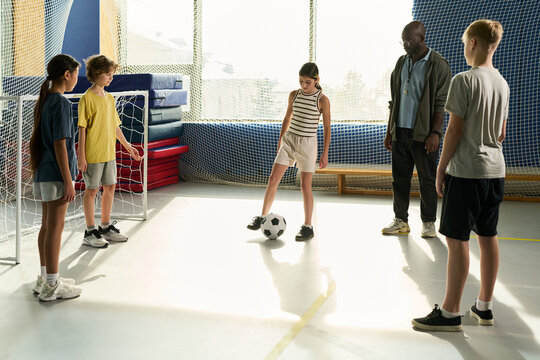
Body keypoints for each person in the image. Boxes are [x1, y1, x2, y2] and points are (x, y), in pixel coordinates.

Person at [412, 19, 509, 331]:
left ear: (474, 44)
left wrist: (440, 170)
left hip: (467, 173)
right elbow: (502, 133)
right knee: (488, 235)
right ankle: (484, 306)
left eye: (465, 43)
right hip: (495, 171)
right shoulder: (502, 83)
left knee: (457, 241)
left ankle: (451, 312)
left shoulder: (464, 80)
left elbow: (453, 130)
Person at [247, 62, 331, 241]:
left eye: (307, 82)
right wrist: (280, 141)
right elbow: (287, 118)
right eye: (301, 81)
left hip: (308, 145)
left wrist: (325, 154)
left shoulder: (322, 100)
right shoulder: (294, 95)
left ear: (316, 80)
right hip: (289, 140)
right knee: (273, 179)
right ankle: (262, 217)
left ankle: (308, 227)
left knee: (305, 186)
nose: (303, 85)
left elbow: (327, 128)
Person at [382, 21, 451, 238]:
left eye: (408, 40)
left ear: (421, 38)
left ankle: (429, 222)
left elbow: (442, 103)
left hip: (424, 135)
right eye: (402, 40)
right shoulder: (401, 62)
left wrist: (435, 133)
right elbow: (394, 100)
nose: (404, 45)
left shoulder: (438, 64)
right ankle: (400, 220)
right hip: (400, 131)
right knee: (399, 179)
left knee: (427, 179)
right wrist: (389, 130)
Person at [29, 54, 83, 301]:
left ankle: (45, 277)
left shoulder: (45, 101)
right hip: (56, 175)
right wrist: (68, 180)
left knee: (47, 226)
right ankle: (52, 284)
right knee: (56, 228)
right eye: (76, 74)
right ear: (67, 74)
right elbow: (61, 145)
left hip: (44, 171)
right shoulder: (60, 102)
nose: (77, 80)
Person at [77, 55, 141, 248]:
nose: (111, 77)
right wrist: (81, 155)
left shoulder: (110, 98)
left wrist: (128, 147)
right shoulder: (86, 99)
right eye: (108, 74)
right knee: (92, 190)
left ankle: (105, 226)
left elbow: (115, 126)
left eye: (112, 74)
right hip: (93, 154)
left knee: (110, 187)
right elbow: (82, 128)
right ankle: (89, 231)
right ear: (97, 73)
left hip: (109, 153)